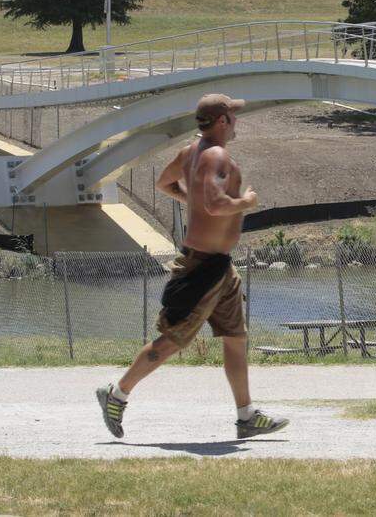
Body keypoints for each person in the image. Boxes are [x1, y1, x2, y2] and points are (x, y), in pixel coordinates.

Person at [96, 94, 289, 440]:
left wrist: (193, 201)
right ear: (221, 121)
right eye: (233, 115)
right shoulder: (216, 155)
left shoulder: (191, 151)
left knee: (235, 338)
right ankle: (116, 394)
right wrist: (246, 202)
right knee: (172, 341)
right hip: (202, 269)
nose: (237, 121)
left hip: (221, 268)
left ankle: (246, 416)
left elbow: (164, 184)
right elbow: (215, 206)